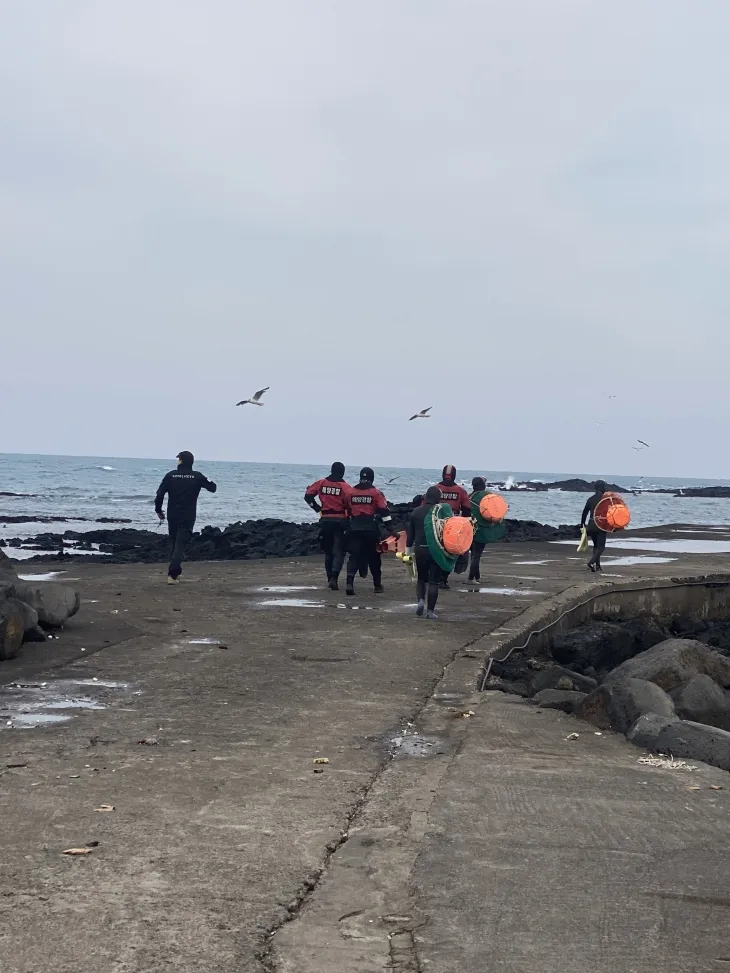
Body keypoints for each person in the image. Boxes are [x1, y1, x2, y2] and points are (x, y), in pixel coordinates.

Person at [155, 451, 217, 584]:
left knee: (173, 541)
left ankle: (174, 572)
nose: (177, 460)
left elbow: (159, 494)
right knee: (181, 543)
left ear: (182, 461)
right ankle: (173, 574)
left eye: (178, 458)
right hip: (188, 515)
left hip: (172, 513)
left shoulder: (170, 475)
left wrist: (158, 510)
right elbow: (213, 488)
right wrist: (211, 479)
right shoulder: (197, 476)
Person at [345, 467, 397, 596]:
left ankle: (349, 583)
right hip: (370, 528)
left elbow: (346, 509)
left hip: (355, 527)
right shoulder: (376, 493)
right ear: (372, 479)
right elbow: (384, 512)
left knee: (354, 556)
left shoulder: (350, 492)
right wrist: (391, 530)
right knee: (374, 557)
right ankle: (377, 585)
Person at [304, 462, 350, 590]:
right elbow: (350, 504)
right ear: (343, 472)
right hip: (340, 521)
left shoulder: (321, 483)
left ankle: (330, 578)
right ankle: (334, 577)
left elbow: (308, 496)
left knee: (328, 552)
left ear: (331, 470)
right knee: (339, 551)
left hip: (325, 520)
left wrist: (317, 508)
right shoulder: (345, 487)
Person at [424, 466, 471, 587]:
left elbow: (425, 505)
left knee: (435, 550)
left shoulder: (435, 488)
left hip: (435, 525)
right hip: (453, 527)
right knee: (451, 552)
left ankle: (433, 577)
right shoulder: (461, 491)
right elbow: (467, 510)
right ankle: (443, 579)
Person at [406, 485, 444, 619]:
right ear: (438, 499)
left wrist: (408, 552)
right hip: (436, 550)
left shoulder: (416, 512)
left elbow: (410, 535)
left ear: (426, 497)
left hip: (420, 549)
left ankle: (420, 602)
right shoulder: (440, 512)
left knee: (421, 579)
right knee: (434, 581)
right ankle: (430, 612)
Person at [581, 479, 608, 572]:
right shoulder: (605, 499)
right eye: (604, 486)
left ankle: (598, 566)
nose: (605, 488)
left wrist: (582, 524)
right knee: (601, 547)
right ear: (601, 488)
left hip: (591, 524)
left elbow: (584, 513)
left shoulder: (590, 499)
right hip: (601, 524)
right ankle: (591, 562)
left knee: (596, 546)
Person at [468, 476, 488, 582]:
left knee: (474, 554)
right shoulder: (485, 498)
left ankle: (477, 577)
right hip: (481, 530)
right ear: (482, 485)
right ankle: (471, 578)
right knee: (477, 555)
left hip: (469, 529)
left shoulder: (469, 496)